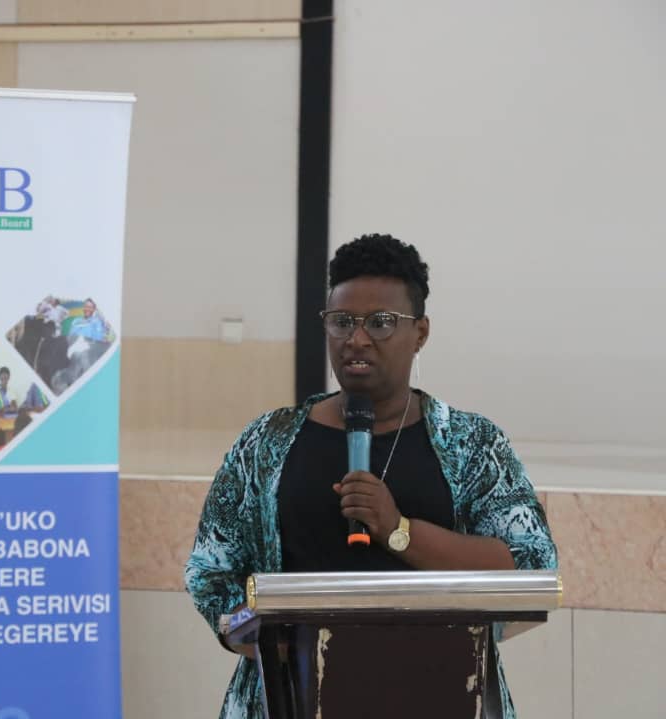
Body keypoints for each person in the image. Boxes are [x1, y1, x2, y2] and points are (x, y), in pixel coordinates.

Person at [184, 234, 556, 719]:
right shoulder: (266, 442)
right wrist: (275, 644)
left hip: (441, 694)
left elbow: (530, 564)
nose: (356, 339)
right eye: (342, 322)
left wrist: (398, 531)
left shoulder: (473, 445)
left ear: (420, 333)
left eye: (381, 323)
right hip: (292, 698)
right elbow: (210, 572)